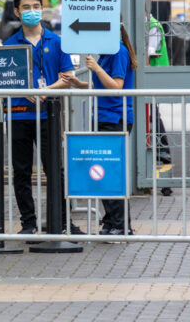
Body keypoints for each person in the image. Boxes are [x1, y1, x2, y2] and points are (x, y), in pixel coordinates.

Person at [3, 0, 81, 236]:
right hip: (18, 114)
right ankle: (28, 223)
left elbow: (68, 76)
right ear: (17, 11)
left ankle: (62, 221)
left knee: (54, 168)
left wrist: (45, 89)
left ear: (43, 9)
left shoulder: (57, 42)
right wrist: (25, 91)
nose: (32, 12)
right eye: (26, 7)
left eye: (36, 7)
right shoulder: (9, 44)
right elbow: (6, 80)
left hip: (49, 114)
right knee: (21, 171)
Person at [61, 24, 137, 236]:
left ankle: (122, 225)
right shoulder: (107, 53)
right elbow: (101, 86)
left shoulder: (119, 51)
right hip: (103, 117)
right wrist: (78, 83)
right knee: (103, 172)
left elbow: (116, 86)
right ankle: (111, 221)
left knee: (111, 172)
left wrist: (96, 68)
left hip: (115, 117)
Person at [148, 13, 173, 196]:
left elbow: (149, 51)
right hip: (145, 82)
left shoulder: (152, 25)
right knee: (152, 123)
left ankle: (165, 171)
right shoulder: (148, 23)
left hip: (150, 82)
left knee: (154, 123)